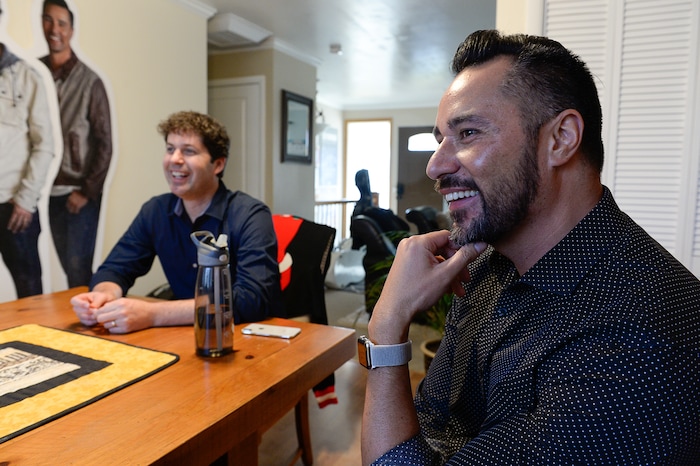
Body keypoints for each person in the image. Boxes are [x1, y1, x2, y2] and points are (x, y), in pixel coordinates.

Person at [361, 30, 700, 465]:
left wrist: (386, 331)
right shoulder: (489, 267)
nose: (435, 166)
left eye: (467, 133)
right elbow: (434, 422)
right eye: (440, 139)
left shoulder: (639, 347)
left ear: (561, 139)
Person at [70, 111, 283, 333]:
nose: (174, 159)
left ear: (217, 165)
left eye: (188, 151)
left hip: (249, 338)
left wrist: (153, 314)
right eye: (170, 149)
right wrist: (103, 295)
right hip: (189, 334)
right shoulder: (156, 211)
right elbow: (114, 269)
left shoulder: (250, 214)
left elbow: (251, 301)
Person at [40, 0, 113, 288]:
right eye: (48, 20)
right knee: (53, 271)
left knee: (78, 273)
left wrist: (86, 191)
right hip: (45, 191)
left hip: (77, 195)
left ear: (71, 30)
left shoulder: (90, 82)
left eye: (61, 23)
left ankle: (88, 330)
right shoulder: (35, 73)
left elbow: (105, 143)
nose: (54, 29)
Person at [0, 4, 55, 298]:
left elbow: (45, 145)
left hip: (14, 207)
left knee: (30, 291)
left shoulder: (26, 76)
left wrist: (25, 200)